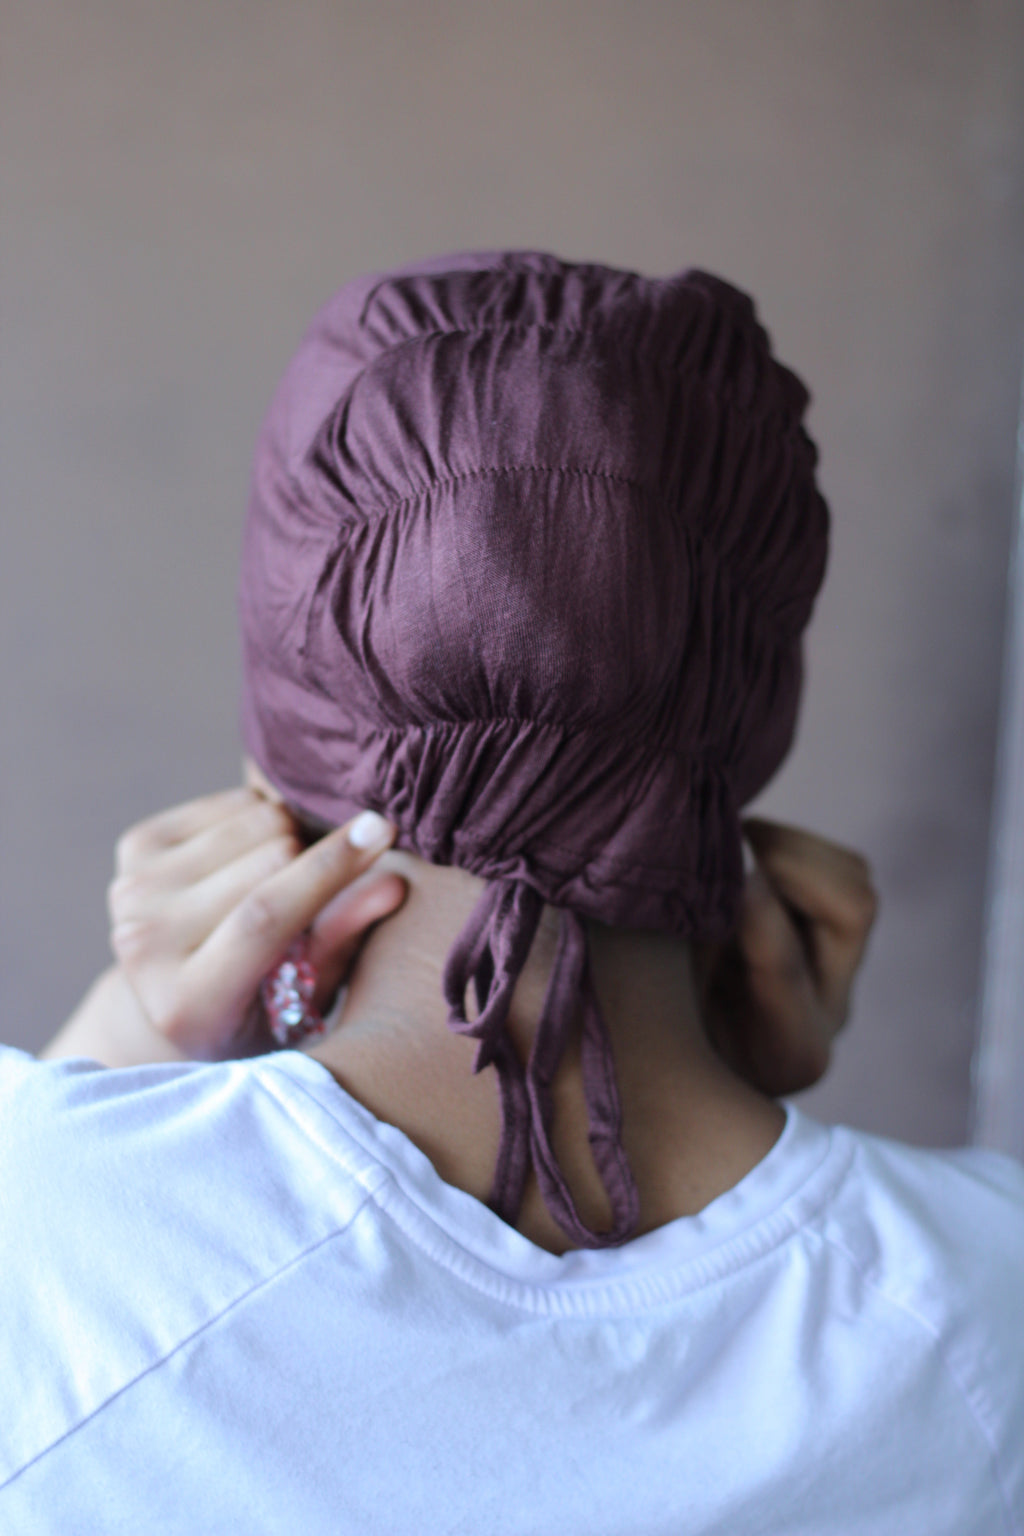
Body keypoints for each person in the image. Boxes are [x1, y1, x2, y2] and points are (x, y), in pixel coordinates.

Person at [2, 252, 1021, 1533]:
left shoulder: (39, 1239)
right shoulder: (986, 1303)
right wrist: (742, 1086)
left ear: (277, 746)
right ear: (749, 727)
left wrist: (130, 1044)